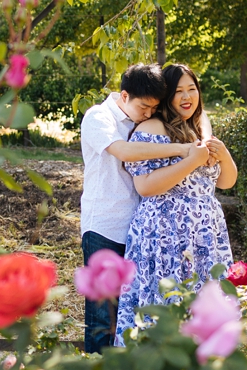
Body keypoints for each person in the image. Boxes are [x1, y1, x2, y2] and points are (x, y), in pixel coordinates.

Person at [79, 63, 210, 353]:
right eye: (144, 108)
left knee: (131, 307)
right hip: (104, 227)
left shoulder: (139, 119)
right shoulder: (99, 118)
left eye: (154, 108)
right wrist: (181, 149)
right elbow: (124, 152)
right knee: (102, 312)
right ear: (124, 96)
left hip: (139, 232)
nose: (149, 114)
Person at [114, 63, 237, 347]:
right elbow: (144, 186)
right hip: (165, 233)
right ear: (166, 97)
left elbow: (225, 182)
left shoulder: (199, 128)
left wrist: (224, 154)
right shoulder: (152, 127)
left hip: (206, 234)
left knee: (205, 303)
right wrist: (191, 160)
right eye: (178, 91)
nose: (187, 97)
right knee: (165, 304)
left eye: (192, 89)